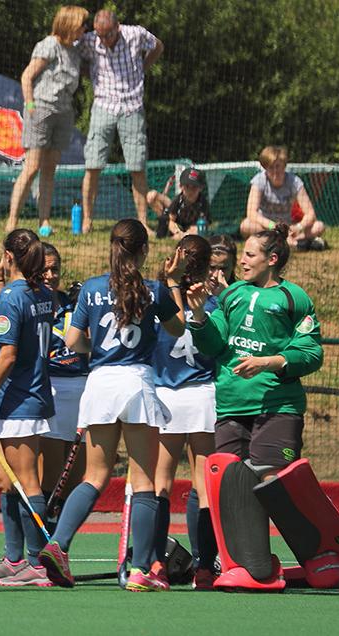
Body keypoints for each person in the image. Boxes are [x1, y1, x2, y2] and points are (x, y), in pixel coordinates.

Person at [185, 224, 337, 591]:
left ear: (272, 259)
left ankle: (320, 553)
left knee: (271, 481)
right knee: (230, 485)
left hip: (278, 406)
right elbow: (215, 343)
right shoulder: (232, 295)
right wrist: (200, 317)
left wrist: (268, 362)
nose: (243, 260)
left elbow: (311, 351)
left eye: (251, 254)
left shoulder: (293, 297)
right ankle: (251, 564)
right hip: (232, 406)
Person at [38, 218, 186, 592]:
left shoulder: (90, 288)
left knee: (94, 476)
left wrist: (100, 349)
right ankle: (140, 571)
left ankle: (58, 545)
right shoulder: (153, 289)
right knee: (144, 481)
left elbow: (73, 341)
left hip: (100, 384)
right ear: (143, 250)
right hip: (137, 383)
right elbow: (179, 328)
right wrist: (172, 282)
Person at [0, 229, 55, 587]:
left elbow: (8, 354)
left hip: (19, 399)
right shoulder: (44, 293)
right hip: (31, 396)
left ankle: (36, 564)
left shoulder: (11, 297)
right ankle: (14, 558)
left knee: (26, 482)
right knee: (7, 482)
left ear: (8, 255)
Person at [150, 235, 219, 589]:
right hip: (203, 395)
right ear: (208, 267)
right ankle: (205, 567)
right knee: (204, 486)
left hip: (166, 395)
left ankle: (157, 565)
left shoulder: (158, 298)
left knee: (160, 483)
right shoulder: (216, 302)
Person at [5, 6, 90, 236]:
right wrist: (30, 105)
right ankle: (12, 221)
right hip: (41, 109)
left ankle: (44, 221)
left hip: (63, 113)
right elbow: (27, 76)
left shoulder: (73, 50)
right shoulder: (49, 45)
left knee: (49, 169)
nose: (85, 29)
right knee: (32, 167)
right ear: (70, 24)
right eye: (82, 24)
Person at [77, 10, 164, 234]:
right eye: (100, 35)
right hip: (103, 105)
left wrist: (143, 69)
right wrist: (91, 74)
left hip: (132, 106)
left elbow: (158, 46)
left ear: (118, 27)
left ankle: (143, 222)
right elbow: (72, 56)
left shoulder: (135, 35)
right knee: (93, 165)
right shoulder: (89, 41)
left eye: (107, 35)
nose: (103, 40)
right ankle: (87, 220)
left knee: (137, 167)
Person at [39, 242, 89, 525]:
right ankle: (44, 536)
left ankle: (60, 543)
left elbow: (91, 344)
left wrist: (85, 308)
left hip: (81, 388)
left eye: (54, 269)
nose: (50, 275)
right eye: (44, 269)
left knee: (75, 476)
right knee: (53, 472)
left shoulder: (72, 303)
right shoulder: (34, 303)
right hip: (53, 388)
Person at [242, 146, 327, 250]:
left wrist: (297, 227)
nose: (275, 171)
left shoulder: (294, 182)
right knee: (246, 225)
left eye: (278, 166)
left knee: (319, 226)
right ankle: (298, 244)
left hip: (288, 228)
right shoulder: (259, 181)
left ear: (284, 166)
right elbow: (251, 213)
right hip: (265, 227)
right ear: (265, 167)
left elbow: (310, 214)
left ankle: (283, 242)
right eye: (270, 167)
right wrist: (272, 226)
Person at [147, 167, 209, 239]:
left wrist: (189, 232)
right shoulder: (178, 200)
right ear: (181, 187)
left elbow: (202, 223)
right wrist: (178, 232)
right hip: (179, 224)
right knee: (165, 219)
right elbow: (171, 221)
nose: (190, 191)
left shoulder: (202, 202)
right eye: (187, 187)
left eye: (194, 187)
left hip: (192, 226)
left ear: (200, 188)